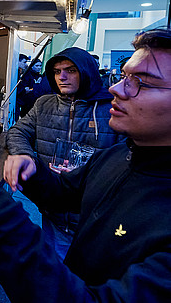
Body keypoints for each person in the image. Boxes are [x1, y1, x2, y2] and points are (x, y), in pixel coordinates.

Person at [0, 28, 171, 302]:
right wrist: (31, 167)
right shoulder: (118, 157)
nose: (116, 89)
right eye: (125, 77)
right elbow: (61, 194)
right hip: (61, 230)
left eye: (141, 82)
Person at [7, 47, 123, 259]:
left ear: (86, 71)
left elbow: (127, 157)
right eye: (57, 71)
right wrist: (23, 154)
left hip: (95, 217)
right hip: (54, 210)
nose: (62, 77)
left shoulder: (111, 109)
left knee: (90, 280)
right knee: (55, 275)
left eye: (70, 70)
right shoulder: (44, 104)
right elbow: (17, 131)